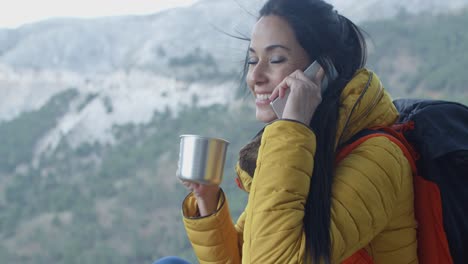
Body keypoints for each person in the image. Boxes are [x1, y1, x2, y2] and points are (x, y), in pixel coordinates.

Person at [177, 0, 418, 263]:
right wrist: (207, 200)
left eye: (276, 59)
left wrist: (292, 125)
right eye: (252, 60)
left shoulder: (379, 159)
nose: (255, 76)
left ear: (321, 72)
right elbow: (248, 255)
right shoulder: (300, 152)